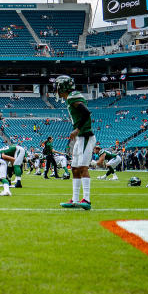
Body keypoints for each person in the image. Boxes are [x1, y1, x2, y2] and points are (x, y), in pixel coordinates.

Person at [55, 75, 94, 210]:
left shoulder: (73, 97)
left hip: (85, 136)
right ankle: (75, 200)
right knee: (75, 169)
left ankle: (87, 200)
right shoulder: (71, 98)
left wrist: (77, 129)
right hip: (80, 137)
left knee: (83, 168)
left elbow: (86, 112)